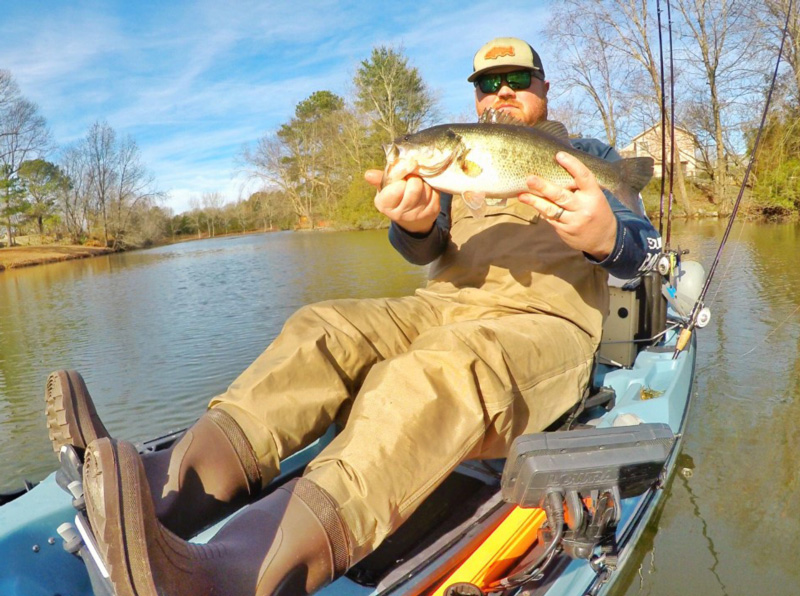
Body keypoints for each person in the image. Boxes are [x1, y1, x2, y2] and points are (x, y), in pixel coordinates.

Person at [45, 37, 660, 596]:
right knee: (322, 328)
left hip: (541, 325)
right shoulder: (453, 165)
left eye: (518, 79)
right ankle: (164, 493)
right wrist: (414, 222)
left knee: (431, 374)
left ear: (544, 88)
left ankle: (237, 576)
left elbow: (641, 246)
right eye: (486, 83)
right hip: (441, 307)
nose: (502, 91)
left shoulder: (588, 155)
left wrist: (608, 234)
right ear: (473, 97)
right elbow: (423, 248)